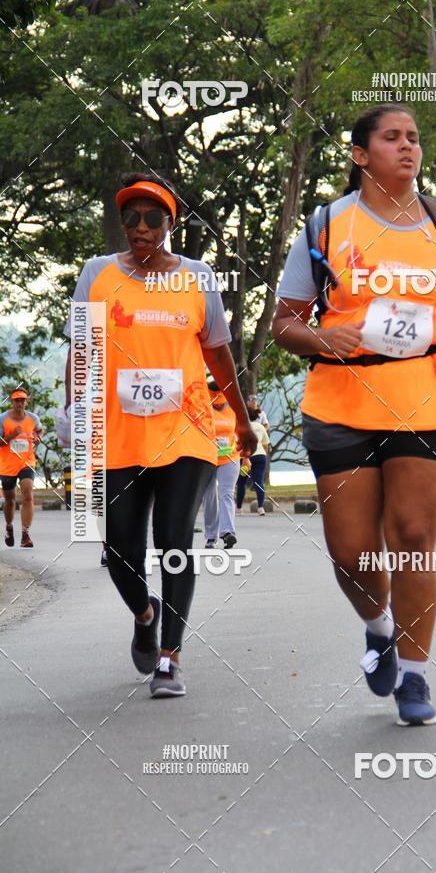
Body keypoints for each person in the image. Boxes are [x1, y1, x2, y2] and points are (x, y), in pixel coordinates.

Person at [273, 103, 436, 725]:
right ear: (360, 153)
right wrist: (323, 340)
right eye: (391, 137)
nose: (408, 147)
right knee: (352, 553)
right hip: (341, 402)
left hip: (428, 397)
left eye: (414, 138)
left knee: (410, 537)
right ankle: (379, 628)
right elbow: (285, 322)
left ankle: (415, 675)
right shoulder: (325, 226)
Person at [63, 172, 256, 698]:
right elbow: (81, 350)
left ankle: (170, 657)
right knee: (120, 547)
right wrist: (73, 410)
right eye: (131, 216)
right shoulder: (97, 274)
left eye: (153, 217)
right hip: (118, 432)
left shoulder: (198, 278)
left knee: (175, 541)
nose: (140, 226)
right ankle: (145, 615)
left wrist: (240, 419)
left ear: (172, 224)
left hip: (186, 431)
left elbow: (218, 353)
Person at [0, 388, 43, 548]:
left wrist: (39, 438)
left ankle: (25, 534)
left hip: (27, 462)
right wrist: (11, 435)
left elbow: (40, 430)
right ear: (11, 401)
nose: (20, 403)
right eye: (17, 400)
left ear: (27, 401)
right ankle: (9, 527)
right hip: (7, 465)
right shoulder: (3, 419)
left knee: (28, 495)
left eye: (22, 400)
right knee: (10, 499)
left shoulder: (32, 418)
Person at [203, 381, 240, 549]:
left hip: (230, 457)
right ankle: (211, 536)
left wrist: (246, 455)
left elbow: (240, 431)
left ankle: (227, 532)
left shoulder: (233, 407)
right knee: (209, 496)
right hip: (207, 457)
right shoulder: (203, 405)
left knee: (227, 494)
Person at [236, 408, 270, 514]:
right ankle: (260, 507)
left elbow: (237, 443)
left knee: (242, 482)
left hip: (245, 457)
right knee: (258, 482)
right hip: (260, 456)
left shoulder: (241, 427)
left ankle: (239, 508)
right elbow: (265, 444)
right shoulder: (260, 427)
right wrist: (261, 452)